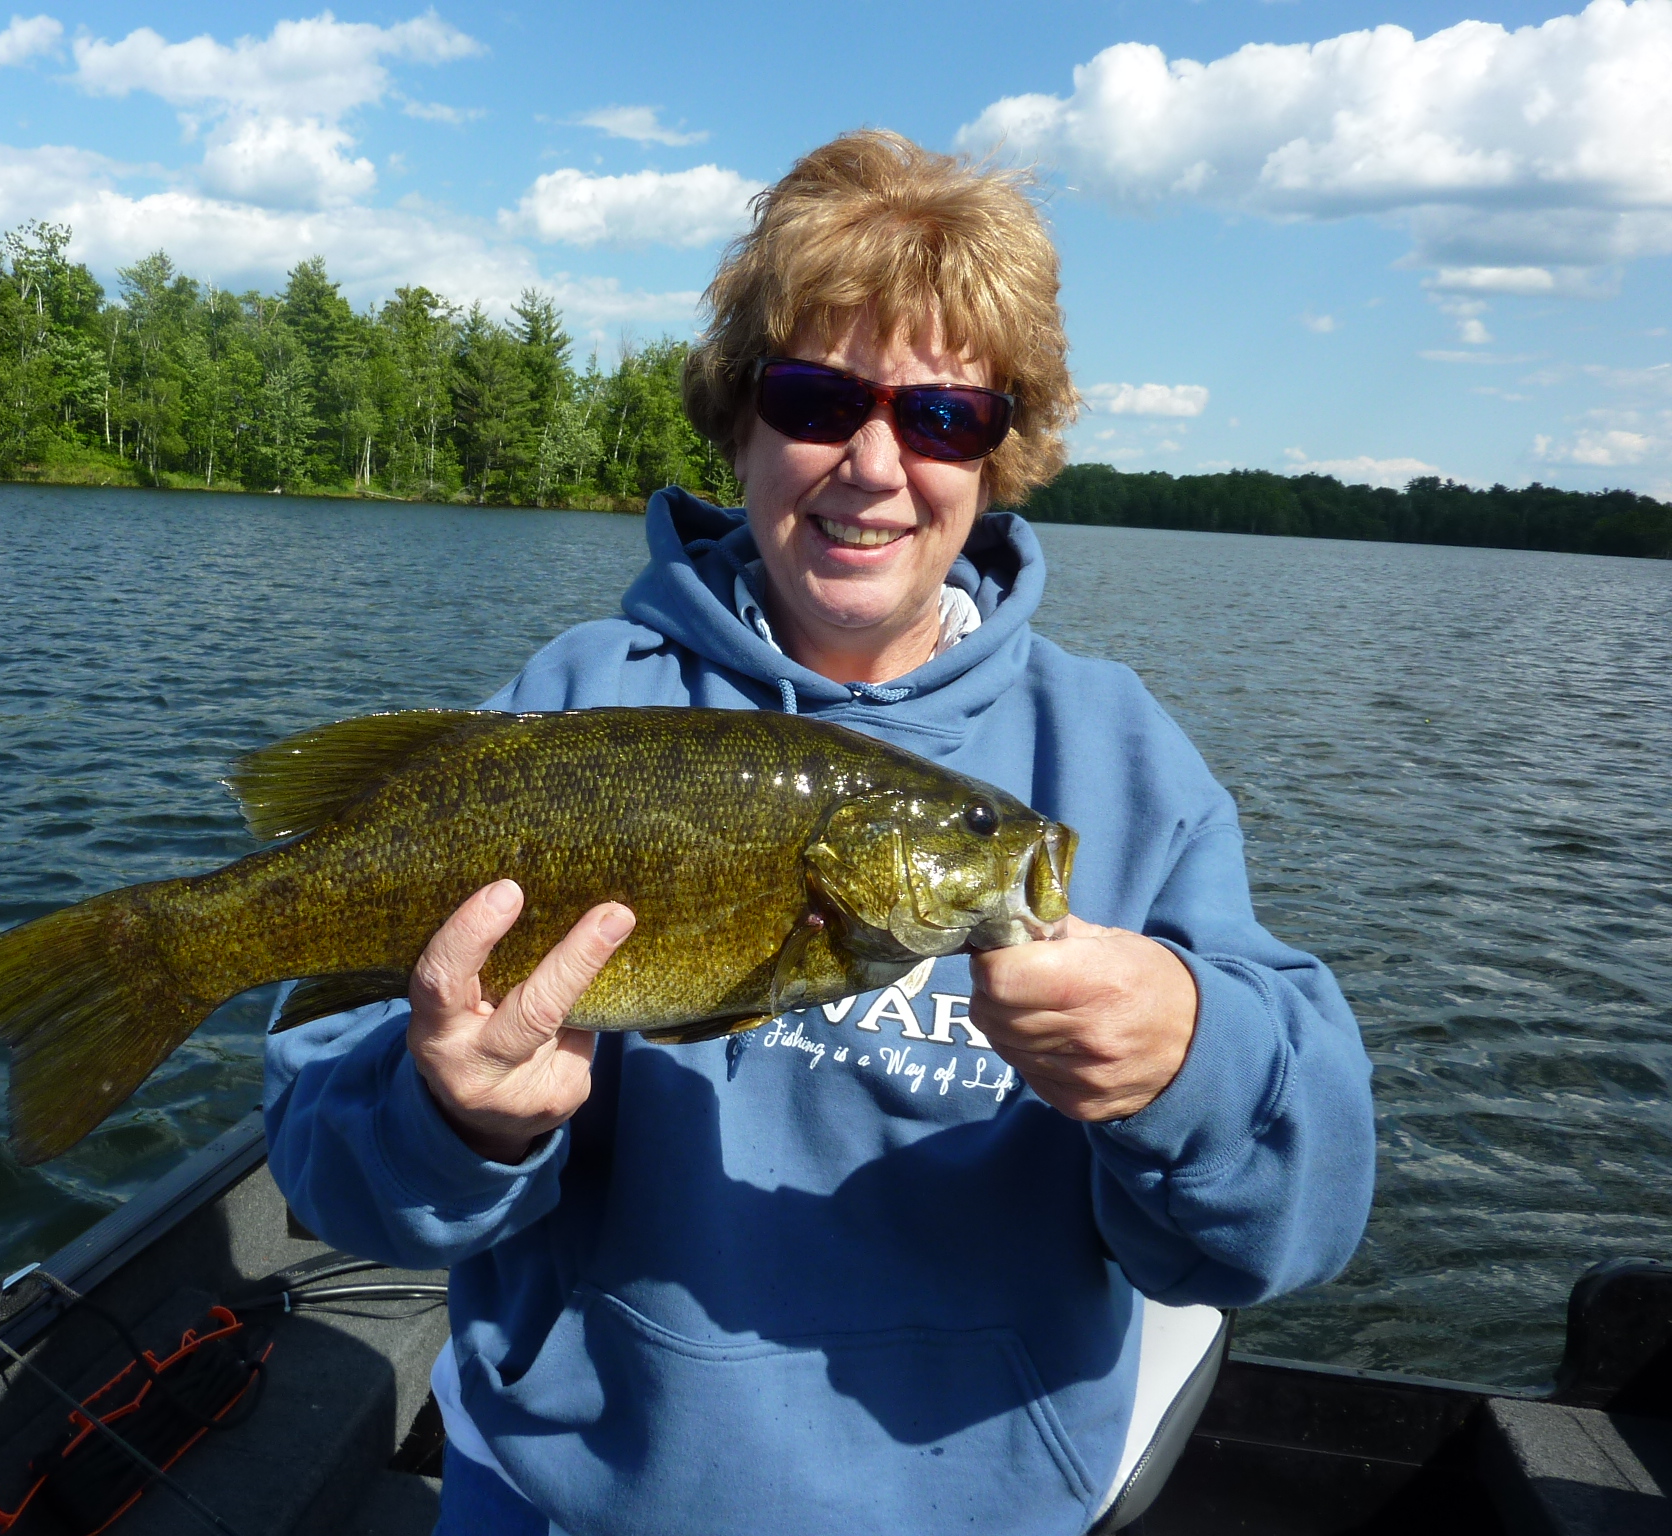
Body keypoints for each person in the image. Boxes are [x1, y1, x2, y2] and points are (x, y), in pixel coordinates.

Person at [264, 130, 1374, 1536]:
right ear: (738, 419)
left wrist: (1190, 1061)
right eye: (813, 397)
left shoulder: (1120, 761)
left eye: (944, 417)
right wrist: (452, 1118)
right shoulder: (571, 704)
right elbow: (328, 1167)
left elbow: (1287, 1232)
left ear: (1001, 452)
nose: (873, 463)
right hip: (564, 1505)